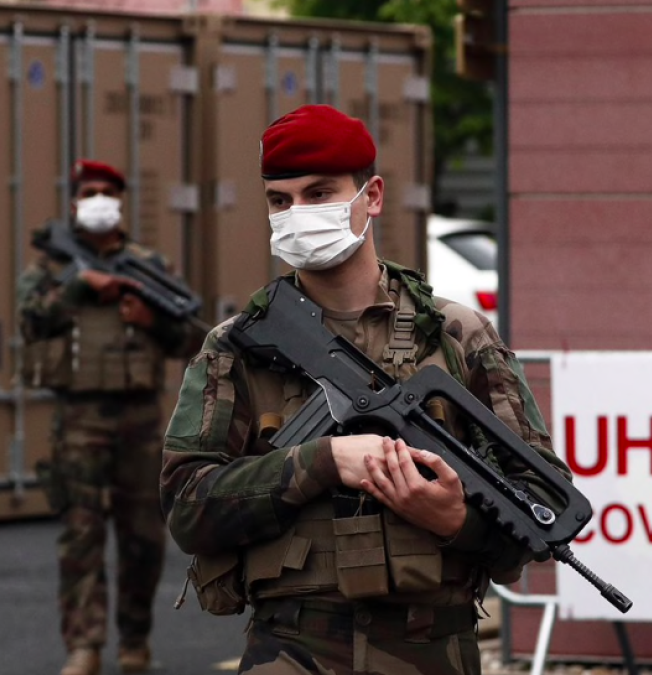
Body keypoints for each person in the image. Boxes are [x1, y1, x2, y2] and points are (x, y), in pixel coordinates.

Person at [159, 104, 570, 675]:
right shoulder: (237, 345)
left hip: (433, 649)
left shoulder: (456, 334)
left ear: (371, 196)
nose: (297, 214)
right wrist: (323, 461)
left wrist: (454, 518)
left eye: (319, 194)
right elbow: (186, 507)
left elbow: (542, 500)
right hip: (289, 649)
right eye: (280, 200)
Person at [17, 159, 200, 675]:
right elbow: (30, 322)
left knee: (143, 535)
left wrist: (149, 320)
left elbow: (191, 336)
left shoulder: (148, 266)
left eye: (107, 192)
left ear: (120, 202)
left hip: (139, 418)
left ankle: (134, 640)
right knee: (80, 533)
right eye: (89, 191)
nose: (98, 200)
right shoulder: (52, 267)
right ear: (74, 202)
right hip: (78, 419)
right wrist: (80, 287)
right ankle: (85, 645)